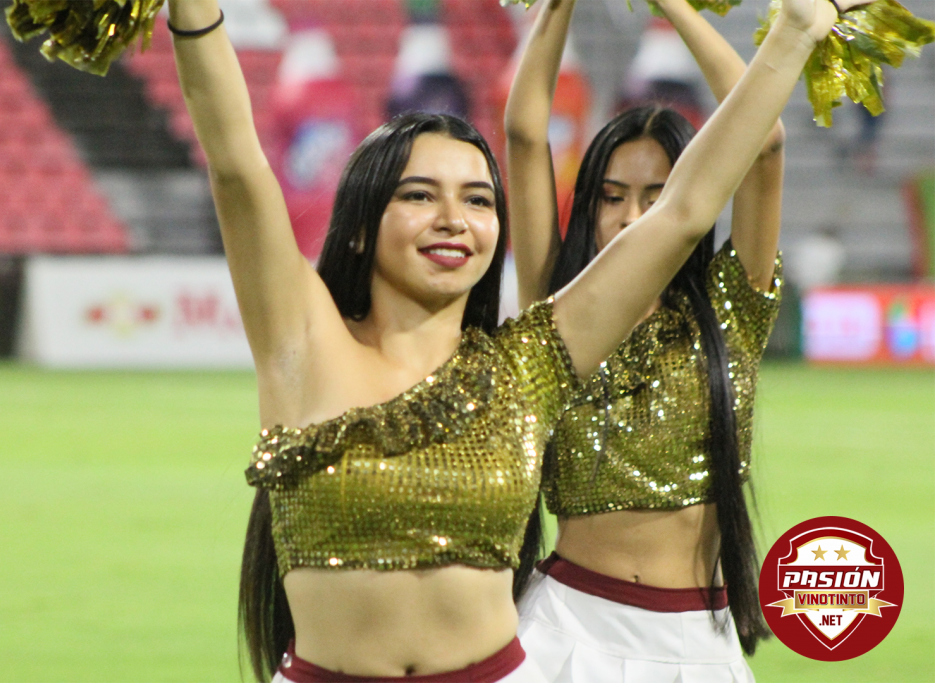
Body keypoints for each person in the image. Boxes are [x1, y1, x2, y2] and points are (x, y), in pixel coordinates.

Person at [168, 0, 842, 678]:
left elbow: (684, 212)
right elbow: (235, 164)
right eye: (419, 195)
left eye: (479, 200)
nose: (454, 220)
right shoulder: (301, 341)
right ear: (357, 226)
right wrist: (192, 13)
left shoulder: (530, 364)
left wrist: (793, 34)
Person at [503, 0, 848, 679]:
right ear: (589, 206)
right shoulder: (557, 305)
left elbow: (766, 140)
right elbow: (522, 133)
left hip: (700, 641)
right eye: (611, 195)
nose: (633, 216)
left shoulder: (731, 310)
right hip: (565, 630)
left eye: (658, 195)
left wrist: (674, 6)